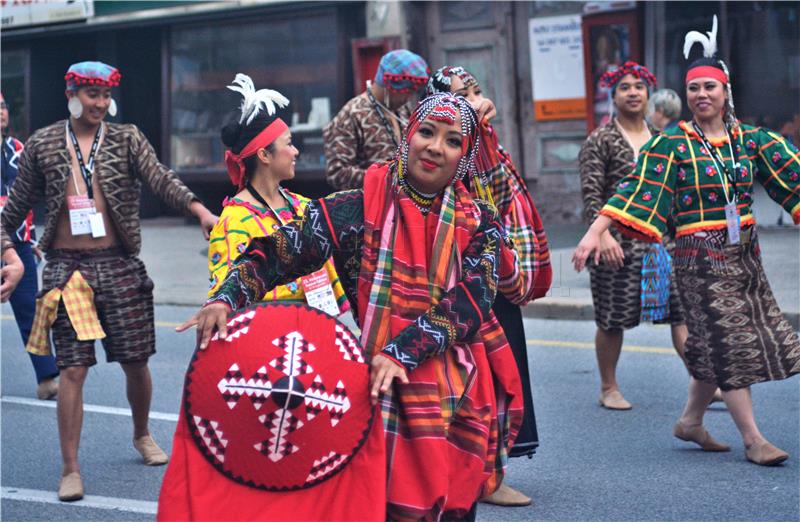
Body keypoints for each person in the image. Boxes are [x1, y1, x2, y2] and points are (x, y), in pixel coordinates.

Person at [180, 93, 523, 520]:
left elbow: (472, 302)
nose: (436, 147)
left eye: (453, 141)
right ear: (408, 136)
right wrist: (227, 296)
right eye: (427, 132)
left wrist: (402, 352)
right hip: (374, 389)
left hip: (453, 394)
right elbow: (285, 249)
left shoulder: (480, 224)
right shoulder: (360, 206)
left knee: (451, 508)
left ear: (464, 157)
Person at [573, 16, 800, 465]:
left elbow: (792, 175)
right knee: (730, 338)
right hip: (698, 258)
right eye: (694, 88)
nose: (701, 95)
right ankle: (754, 439)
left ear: (725, 92)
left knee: (712, 342)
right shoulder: (671, 144)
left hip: (744, 255)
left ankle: (691, 421)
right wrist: (595, 233)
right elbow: (635, 189)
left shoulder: (749, 140)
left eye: (709, 88)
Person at [0, 61, 218, 501]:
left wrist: (198, 209)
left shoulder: (125, 138)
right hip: (66, 269)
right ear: (71, 93)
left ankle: (141, 434)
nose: (100, 104)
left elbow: (160, 178)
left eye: (105, 96)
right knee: (73, 370)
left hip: (120, 265)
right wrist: (11, 255)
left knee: (135, 361)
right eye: (91, 95)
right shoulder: (42, 144)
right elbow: (9, 215)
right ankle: (70, 467)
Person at [426, 65, 552, 507]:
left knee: (501, 368)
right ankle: (481, 476)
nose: (476, 99)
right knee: (477, 374)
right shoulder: (452, 144)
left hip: (492, 266)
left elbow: (499, 197)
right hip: (462, 274)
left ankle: (483, 469)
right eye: (463, 94)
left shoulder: (485, 141)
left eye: (477, 90)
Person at [578, 61, 689, 411]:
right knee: (613, 319)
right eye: (625, 87)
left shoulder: (662, 140)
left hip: (660, 243)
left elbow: (672, 192)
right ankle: (608, 387)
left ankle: (701, 382)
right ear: (614, 96)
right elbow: (591, 194)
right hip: (616, 244)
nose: (633, 92)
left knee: (681, 313)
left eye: (639, 86)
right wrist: (603, 236)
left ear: (648, 94)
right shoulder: (601, 140)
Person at [208, 74, 347, 314]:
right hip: (268, 335)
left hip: (313, 329)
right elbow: (231, 301)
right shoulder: (234, 222)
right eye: (289, 143)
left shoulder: (303, 206)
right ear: (264, 155)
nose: (295, 151)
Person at [1, 92, 60, 399]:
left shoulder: (18, 150)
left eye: (2, 106)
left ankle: (47, 376)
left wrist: (32, 238)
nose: (0, 112)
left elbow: (27, 199)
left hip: (19, 241)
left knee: (30, 312)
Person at [323, 49, 429, 190]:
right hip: (366, 204)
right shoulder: (352, 114)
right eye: (406, 93)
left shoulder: (403, 110)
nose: (407, 99)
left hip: (403, 200)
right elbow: (337, 173)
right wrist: (386, 177)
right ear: (390, 87)